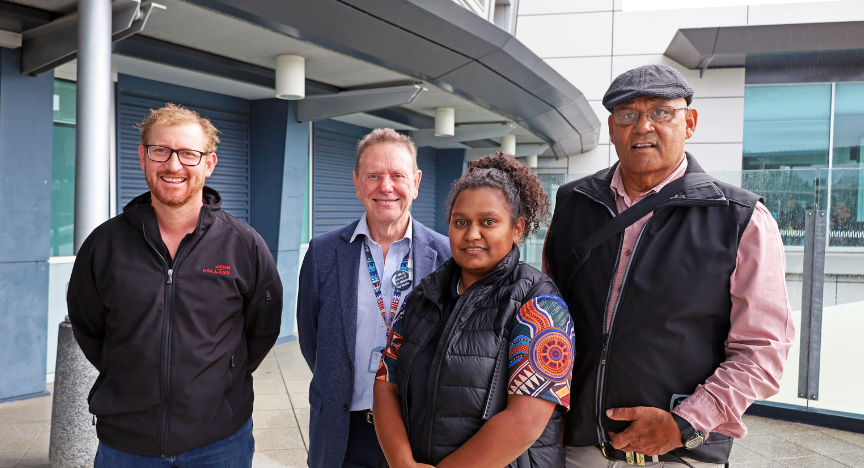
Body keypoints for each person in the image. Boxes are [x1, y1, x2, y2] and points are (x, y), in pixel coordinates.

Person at [543, 65, 795, 468]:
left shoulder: (740, 217)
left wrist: (687, 422)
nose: (643, 126)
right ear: (612, 128)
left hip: (680, 454)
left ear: (689, 122)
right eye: (628, 115)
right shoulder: (574, 202)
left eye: (661, 112)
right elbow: (548, 317)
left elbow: (763, 349)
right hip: (574, 449)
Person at [67, 104, 282, 467]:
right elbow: (89, 330)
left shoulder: (243, 244)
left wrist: (223, 377)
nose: (173, 165)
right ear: (143, 157)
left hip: (219, 441)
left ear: (209, 163)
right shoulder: (103, 246)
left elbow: (262, 328)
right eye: (160, 151)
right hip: (127, 445)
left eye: (188, 154)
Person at [374, 153, 576, 468]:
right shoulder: (422, 297)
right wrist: (401, 462)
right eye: (461, 222)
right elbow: (387, 381)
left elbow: (525, 420)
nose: (472, 234)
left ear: (517, 229)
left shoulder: (540, 305)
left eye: (488, 222)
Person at [297, 129, 451, 468]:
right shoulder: (323, 253)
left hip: (417, 428)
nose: (386, 187)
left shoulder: (446, 256)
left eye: (397, 175)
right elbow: (312, 341)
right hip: (343, 428)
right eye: (373, 175)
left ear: (416, 181)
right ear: (356, 183)